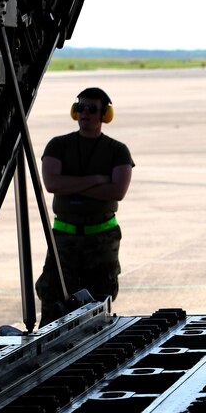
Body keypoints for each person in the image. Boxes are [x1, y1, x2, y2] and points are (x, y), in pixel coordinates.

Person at [34, 87, 134, 326]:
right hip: (64, 238)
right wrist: (97, 180)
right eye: (80, 108)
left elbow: (117, 191)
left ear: (105, 115)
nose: (84, 113)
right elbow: (51, 184)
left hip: (101, 238)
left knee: (99, 301)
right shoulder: (57, 145)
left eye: (91, 109)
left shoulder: (118, 151)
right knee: (53, 298)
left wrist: (71, 186)